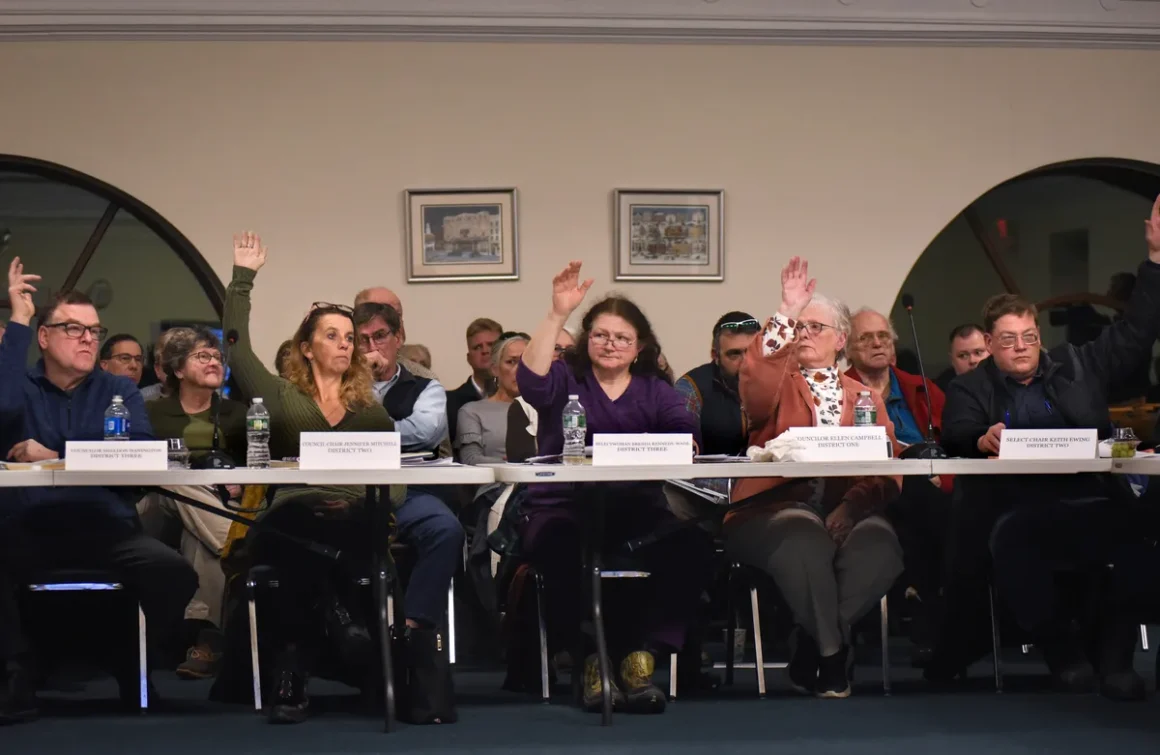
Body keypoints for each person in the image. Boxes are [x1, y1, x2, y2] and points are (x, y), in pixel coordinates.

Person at [224, 233, 461, 724]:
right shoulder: (282, 395)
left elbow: (392, 483)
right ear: (306, 347)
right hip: (295, 511)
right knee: (294, 528)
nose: (344, 343)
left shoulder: (368, 409)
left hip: (354, 514)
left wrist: (366, 504)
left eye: (348, 338)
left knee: (327, 536)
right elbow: (237, 349)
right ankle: (330, 620)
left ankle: (293, 664)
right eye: (331, 335)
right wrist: (242, 280)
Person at [933, 195, 1160, 700]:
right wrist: (980, 437)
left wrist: (1156, 263)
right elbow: (956, 432)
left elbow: (1138, 332)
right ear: (989, 346)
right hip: (1019, 506)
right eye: (1009, 340)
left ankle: (1117, 657)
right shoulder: (972, 388)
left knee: (1139, 545)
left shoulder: (1080, 364)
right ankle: (1064, 652)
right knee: (1015, 544)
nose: (1021, 347)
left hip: (1095, 499)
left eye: (1029, 337)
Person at [0, 258, 197, 725]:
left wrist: (54, 451)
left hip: (106, 527)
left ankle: (132, 659)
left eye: (94, 330)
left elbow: (144, 451)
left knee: (175, 573)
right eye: (73, 328)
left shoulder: (117, 389)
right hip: (31, 526)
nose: (89, 338)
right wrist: (19, 321)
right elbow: (2, 406)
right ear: (44, 338)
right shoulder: (21, 386)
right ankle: (16, 672)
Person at [516, 261, 713, 714]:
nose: (610, 345)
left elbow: (684, 431)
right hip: (562, 506)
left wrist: (672, 444)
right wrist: (556, 314)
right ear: (587, 339)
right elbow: (530, 383)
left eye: (622, 338)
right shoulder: (567, 377)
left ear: (639, 346)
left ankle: (641, 658)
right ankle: (591, 662)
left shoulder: (654, 389)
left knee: (693, 547)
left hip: (635, 508)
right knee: (560, 550)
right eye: (601, 335)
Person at [726, 257, 902, 700]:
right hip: (772, 509)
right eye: (798, 327)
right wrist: (786, 311)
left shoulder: (863, 395)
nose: (804, 334)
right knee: (803, 535)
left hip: (846, 509)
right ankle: (829, 654)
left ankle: (812, 637)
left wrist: (852, 506)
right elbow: (755, 379)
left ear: (841, 339)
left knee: (881, 546)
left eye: (815, 327)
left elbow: (887, 464)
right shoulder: (776, 386)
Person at [140, 327, 247, 680]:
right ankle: (239, 542)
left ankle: (204, 638)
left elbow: (257, 468)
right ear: (178, 369)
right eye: (203, 356)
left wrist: (241, 481)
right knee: (176, 479)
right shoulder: (150, 411)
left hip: (205, 511)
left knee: (198, 537)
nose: (214, 361)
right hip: (154, 508)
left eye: (217, 356)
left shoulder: (238, 414)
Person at [353, 302, 450, 455]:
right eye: (363, 340)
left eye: (379, 336)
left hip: (412, 477)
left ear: (397, 339)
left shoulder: (428, 387)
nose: (372, 348)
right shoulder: (343, 386)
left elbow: (423, 435)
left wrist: (359, 432)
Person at [457, 332, 527, 466]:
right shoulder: (472, 411)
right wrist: (516, 465)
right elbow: (471, 459)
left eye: (526, 362)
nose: (519, 369)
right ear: (495, 369)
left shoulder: (546, 408)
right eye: (511, 362)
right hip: (499, 484)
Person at [447, 318, 504, 443]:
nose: (485, 351)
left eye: (491, 345)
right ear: (469, 358)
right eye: (477, 347)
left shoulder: (519, 398)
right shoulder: (449, 402)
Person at [935, 324, 989, 392]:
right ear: (952, 360)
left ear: (991, 351)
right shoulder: (941, 391)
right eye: (963, 355)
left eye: (978, 352)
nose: (972, 360)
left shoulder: (1004, 382)